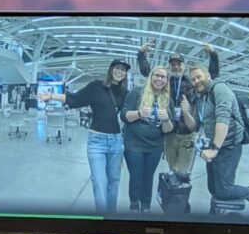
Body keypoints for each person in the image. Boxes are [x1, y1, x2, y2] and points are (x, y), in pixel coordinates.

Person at [39, 59, 130, 214]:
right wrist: (52, 96)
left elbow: (127, 118)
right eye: (117, 68)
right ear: (111, 69)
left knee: (114, 181)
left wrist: (123, 146)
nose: (120, 71)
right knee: (99, 181)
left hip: (115, 142)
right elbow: (75, 98)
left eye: (123, 69)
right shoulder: (96, 86)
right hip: (96, 141)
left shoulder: (125, 93)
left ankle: (112, 216)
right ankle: (102, 218)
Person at [180, 65, 249, 215]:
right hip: (215, 144)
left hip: (229, 146)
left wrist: (214, 149)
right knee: (213, 188)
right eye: (193, 79)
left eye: (199, 77)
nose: (196, 81)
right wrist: (185, 112)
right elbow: (194, 126)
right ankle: (218, 216)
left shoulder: (220, 89)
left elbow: (222, 120)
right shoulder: (201, 99)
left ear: (208, 76)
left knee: (224, 190)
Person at [136, 41, 219, 176]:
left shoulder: (191, 82)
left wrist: (213, 55)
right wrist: (141, 55)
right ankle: (173, 195)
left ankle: (180, 193)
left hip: (188, 134)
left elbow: (212, 76)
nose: (175, 67)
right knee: (172, 169)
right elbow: (148, 73)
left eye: (178, 64)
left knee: (183, 173)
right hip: (169, 134)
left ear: (183, 65)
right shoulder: (165, 81)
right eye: (172, 64)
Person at [121, 66, 174, 211]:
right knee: (136, 176)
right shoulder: (137, 92)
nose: (159, 79)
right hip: (134, 145)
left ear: (167, 81)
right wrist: (139, 113)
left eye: (163, 77)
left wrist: (166, 119)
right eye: (157, 75)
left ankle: (146, 206)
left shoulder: (168, 100)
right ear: (151, 76)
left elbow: (168, 129)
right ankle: (134, 205)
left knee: (148, 177)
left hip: (155, 146)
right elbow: (124, 116)